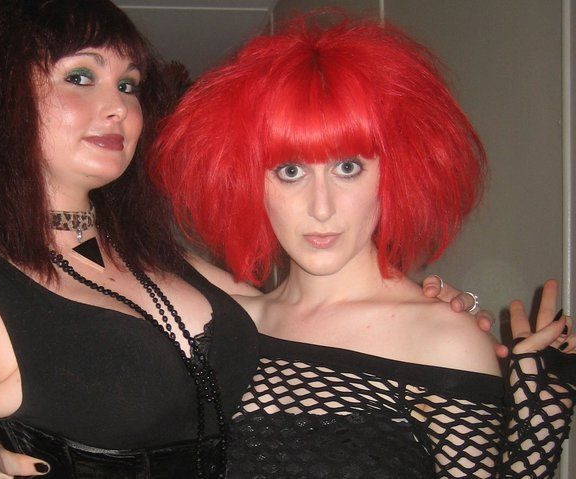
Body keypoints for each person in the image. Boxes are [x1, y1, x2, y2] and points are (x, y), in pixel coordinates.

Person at [0, 2, 490, 478]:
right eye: (80, 77)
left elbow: (321, 321)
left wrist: (450, 326)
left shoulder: (165, 264)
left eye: (127, 85)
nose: (117, 107)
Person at [149, 14, 576, 478]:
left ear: (396, 170)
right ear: (248, 180)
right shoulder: (230, 325)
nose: (321, 207)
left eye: (348, 167)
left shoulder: (442, 340)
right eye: (290, 171)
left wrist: (538, 432)